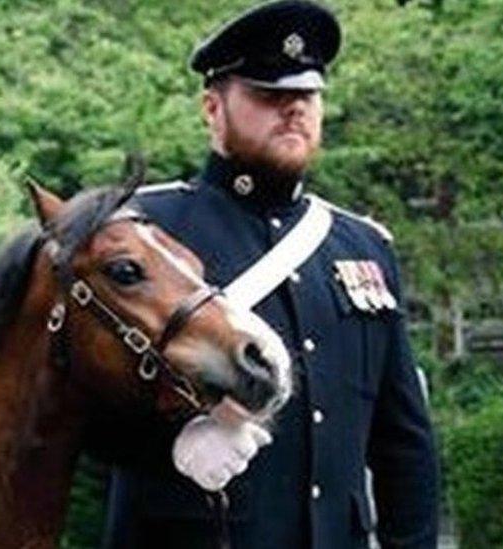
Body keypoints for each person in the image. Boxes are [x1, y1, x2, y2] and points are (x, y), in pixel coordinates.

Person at [102, 1, 440, 548]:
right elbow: (69, 412)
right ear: (213, 108)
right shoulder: (142, 234)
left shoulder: (361, 245)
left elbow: (403, 442)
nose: (293, 110)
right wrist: (169, 446)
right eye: (268, 95)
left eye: (306, 96)